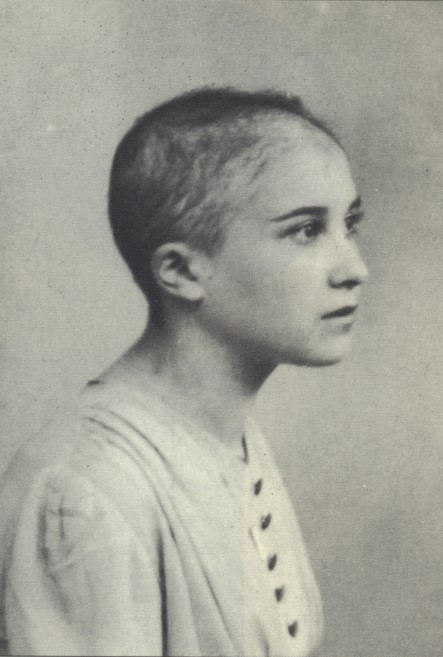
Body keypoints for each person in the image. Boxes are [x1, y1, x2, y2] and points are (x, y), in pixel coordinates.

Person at [0, 88, 368, 656]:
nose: (355, 269)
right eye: (305, 230)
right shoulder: (88, 491)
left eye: (350, 225)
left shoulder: (226, 435)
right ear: (181, 270)